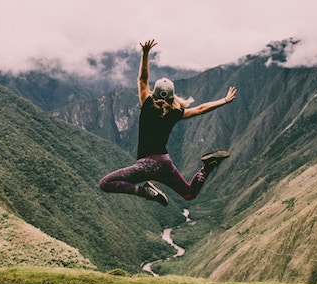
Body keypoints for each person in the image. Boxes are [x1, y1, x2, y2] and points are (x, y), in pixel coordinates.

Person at [99, 39, 237, 206]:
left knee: (105, 183)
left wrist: (145, 53)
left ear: (154, 93)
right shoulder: (175, 113)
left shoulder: (148, 104)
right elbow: (200, 109)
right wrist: (224, 100)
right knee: (189, 194)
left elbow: (143, 79)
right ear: (172, 97)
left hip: (146, 165)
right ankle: (207, 167)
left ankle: (146, 192)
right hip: (165, 163)